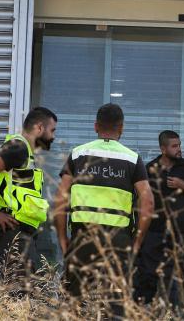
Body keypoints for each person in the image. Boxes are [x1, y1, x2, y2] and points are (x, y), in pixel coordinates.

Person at [54, 103, 154, 314]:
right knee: (116, 305)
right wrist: (136, 243)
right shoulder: (132, 159)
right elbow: (148, 203)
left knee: (74, 304)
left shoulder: (78, 155)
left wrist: (63, 239)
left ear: (95, 126)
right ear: (122, 127)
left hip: (82, 238)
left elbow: (60, 198)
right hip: (119, 241)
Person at [0, 107, 58, 294]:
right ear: (39, 127)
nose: (53, 137)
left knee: (22, 299)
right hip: (12, 233)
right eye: (52, 130)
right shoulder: (17, 148)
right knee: (18, 298)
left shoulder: (25, 152)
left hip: (20, 234)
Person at [134, 130, 184, 307]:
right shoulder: (150, 169)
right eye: (174, 146)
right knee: (148, 274)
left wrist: (183, 185)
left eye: (179, 145)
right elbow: (140, 201)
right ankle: (146, 311)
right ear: (163, 149)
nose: (179, 149)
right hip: (155, 232)